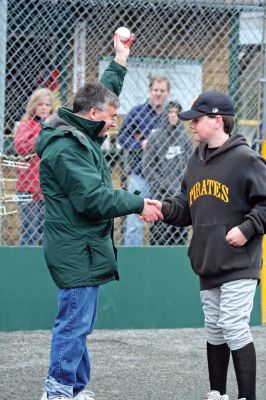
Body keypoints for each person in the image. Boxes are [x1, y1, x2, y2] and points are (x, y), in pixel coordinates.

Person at [36, 33, 162, 400]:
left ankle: (73, 388)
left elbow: (104, 91)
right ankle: (57, 390)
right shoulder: (67, 147)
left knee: (81, 322)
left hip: (83, 246)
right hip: (75, 248)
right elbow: (93, 198)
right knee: (73, 323)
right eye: (111, 117)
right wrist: (138, 203)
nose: (113, 123)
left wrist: (120, 59)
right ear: (93, 116)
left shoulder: (81, 128)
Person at [142, 91, 266, 400]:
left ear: (218, 120)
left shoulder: (245, 159)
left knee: (234, 325)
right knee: (214, 327)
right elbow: (187, 207)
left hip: (239, 260)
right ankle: (217, 393)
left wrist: (248, 228)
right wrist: (165, 208)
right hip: (208, 259)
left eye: (198, 119)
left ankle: (247, 396)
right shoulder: (194, 162)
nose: (192, 125)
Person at [118, 74, 170, 245]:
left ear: (168, 93)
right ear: (149, 91)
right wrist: (141, 144)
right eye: (155, 90)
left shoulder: (171, 115)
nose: (158, 94)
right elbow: (122, 137)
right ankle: (132, 258)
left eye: (162, 91)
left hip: (164, 178)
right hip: (140, 174)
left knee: (163, 220)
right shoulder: (137, 112)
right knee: (135, 221)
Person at [143, 101, 194, 245]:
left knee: (179, 235)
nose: (173, 115)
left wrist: (179, 185)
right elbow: (148, 167)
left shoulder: (185, 138)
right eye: (170, 112)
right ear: (165, 114)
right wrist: (164, 184)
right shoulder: (156, 137)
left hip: (180, 195)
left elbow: (190, 165)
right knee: (159, 234)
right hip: (161, 195)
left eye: (176, 112)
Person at [14, 88, 55, 245]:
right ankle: (23, 266)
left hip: (49, 187)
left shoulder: (55, 125)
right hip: (28, 187)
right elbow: (22, 148)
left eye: (47, 104)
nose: (44, 108)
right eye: (40, 104)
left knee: (47, 233)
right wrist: (43, 133)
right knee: (30, 232)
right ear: (33, 106)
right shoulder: (25, 125)